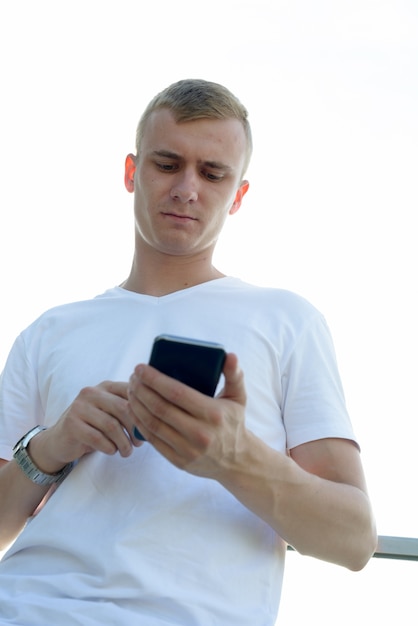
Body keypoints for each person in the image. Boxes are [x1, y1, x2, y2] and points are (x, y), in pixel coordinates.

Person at [0, 78, 377, 625]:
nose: (187, 188)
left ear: (239, 195)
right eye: (167, 164)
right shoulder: (49, 330)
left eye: (213, 172)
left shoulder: (287, 320)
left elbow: (354, 540)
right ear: (132, 173)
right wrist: (52, 444)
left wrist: (233, 458)